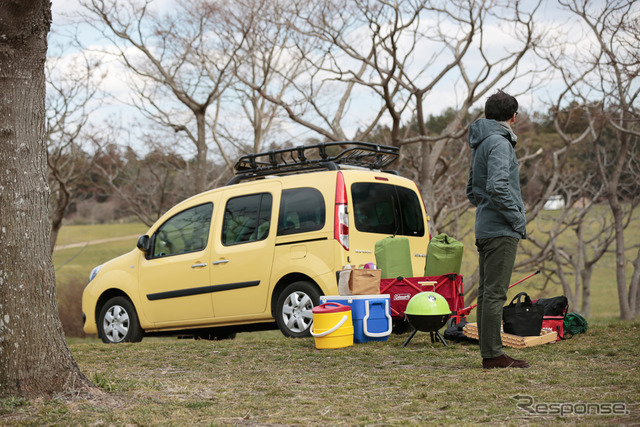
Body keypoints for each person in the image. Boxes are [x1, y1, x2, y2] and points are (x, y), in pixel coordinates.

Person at [466, 90, 529, 369]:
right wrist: (516, 218)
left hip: (484, 227)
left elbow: (472, 191)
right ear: (513, 117)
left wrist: (488, 209)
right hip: (500, 230)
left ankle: (490, 352)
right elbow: (497, 187)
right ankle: (493, 355)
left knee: (486, 292)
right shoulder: (500, 143)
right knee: (494, 293)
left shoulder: (480, 143)